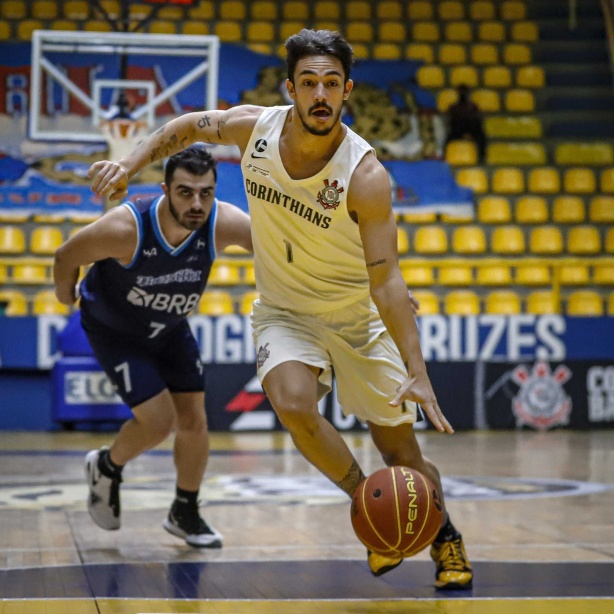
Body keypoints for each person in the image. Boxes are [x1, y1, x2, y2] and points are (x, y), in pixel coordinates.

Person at [87, 29, 473, 590]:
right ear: (291, 87)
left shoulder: (365, 176)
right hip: (286, 312)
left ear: (347, 92)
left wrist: (418, 370)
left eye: (332, 84)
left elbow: (387, 277)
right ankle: (371, 505)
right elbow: (188, 127)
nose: (321, 94)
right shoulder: (255, 129)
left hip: (356, 317)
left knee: (402, 454)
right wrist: (130, 163)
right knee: (293, 403)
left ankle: (446, 538)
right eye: (309, 82)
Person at [54, 145, 252, 547]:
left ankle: (185, 510)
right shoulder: (126, 229)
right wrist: (64, 295)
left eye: (206, 193)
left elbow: (286, 253)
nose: (197, 203)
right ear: (165, 189)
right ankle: (107, 466)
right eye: (185, 192)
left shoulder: (222, 223)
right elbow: (65, 254)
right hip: (116, 331)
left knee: (195, 420)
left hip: (170, 327)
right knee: (159, 422)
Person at [446, 84, 486, 163]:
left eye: (464, 92)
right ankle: (445, 156)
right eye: (461, 92)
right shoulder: (453, 107)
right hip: (457, 131)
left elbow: (477, 121)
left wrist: (469, 133)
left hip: (472, 130)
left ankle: (482, 157)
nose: (463, 94)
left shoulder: (473, 107)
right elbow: (451, 122)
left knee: (482, 137)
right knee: (447, 140)